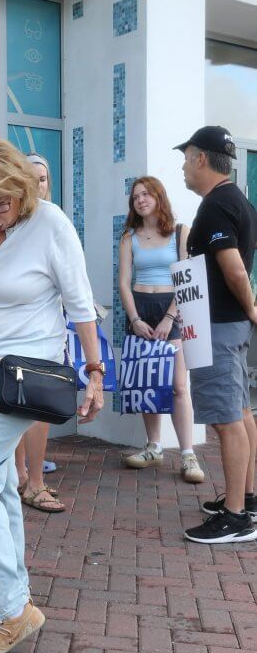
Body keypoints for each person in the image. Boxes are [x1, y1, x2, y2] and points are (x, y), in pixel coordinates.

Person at [0, 136, 103, 653]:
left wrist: (95, 372)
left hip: (21, 372)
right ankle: (4, 589)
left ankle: (13, 609)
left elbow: (80, 303)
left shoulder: (49, 223)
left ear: (20, 191)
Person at [174, 126, 257, 544]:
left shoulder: (216, 205)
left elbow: (234, 267)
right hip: (227, 324)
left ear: (201, 158)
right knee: (240, 411)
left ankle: (237, 518)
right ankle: (248, 497)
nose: (183, 166)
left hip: (220, 326)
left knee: (227, 421)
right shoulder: (236, 199)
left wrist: (252, 308)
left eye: (186, 157)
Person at [119, 177, 204, 483]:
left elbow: (186, 278)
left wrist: (170, 317)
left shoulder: (181, 232)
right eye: (135, 196)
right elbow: (124, 284)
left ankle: (187, 454)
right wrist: (135, 319)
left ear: (158, 196)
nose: (140, 200)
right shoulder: (129, 237)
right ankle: (153, 446)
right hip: (140, 310)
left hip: (172, 310)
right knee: (147, 383)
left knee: (179, 386)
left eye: (146, 194)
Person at [14, 153, 65, 513]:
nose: (37, 184)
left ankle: (35, 480)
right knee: (13, 406)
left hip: (46, 332)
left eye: (43, 178)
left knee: (40, 408)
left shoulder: (55, 222)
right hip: (12, 333)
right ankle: (20, 477)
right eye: (30, 177)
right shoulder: (7, 223)